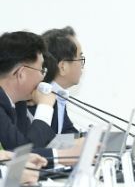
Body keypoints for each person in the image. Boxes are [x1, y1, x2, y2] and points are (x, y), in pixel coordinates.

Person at [0, 31, 82, 166]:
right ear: (21, 74)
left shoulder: (18, 104)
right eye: (41, 70)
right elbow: (23, 155)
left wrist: (74, 144)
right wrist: (45, 107)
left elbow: (36, 143)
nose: (43, 77)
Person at [38, 26, 85, 134]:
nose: (82, 65)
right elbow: (46, 140)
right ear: (63, 67)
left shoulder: (58, 94)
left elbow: (67, 132)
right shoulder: (39, 100)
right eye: (80, 58)